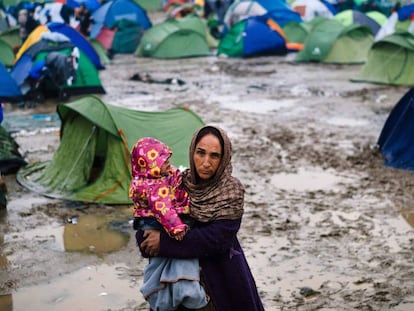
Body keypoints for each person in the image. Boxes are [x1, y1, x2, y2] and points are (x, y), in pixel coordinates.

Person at [136, 125, 265, 311]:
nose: (206, 162)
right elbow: (145, 237)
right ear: (192, 152)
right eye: (200, 153)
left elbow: (216, 239)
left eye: (214, 155)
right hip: (176, 287)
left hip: (221, 282)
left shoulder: (230, 191)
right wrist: (148, 234)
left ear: (224, 158)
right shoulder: (176, 184)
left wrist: (163, 243)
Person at [129, 137, 209, 311]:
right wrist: (176, 229)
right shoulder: (155, 186)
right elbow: (163, 210)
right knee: (159, 263)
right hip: (157, 221)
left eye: (168, 160)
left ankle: (164, 296)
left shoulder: (153, 177)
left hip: (152, 220)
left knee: (159, 263)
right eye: (163, 162)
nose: (168, 165)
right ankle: (168, 296)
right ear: (151, 166)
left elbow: (218, 238)